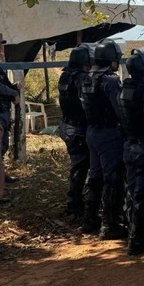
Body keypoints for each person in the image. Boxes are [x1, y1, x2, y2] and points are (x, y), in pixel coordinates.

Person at [80, 39, 126, 239]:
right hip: (108, 134)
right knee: (112, 178)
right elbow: (120, 109)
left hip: (92, 132)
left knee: (95, 177)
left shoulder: (87, 78)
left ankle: (89, 220)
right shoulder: (110, 80)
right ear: (111, 59)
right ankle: (109, 224)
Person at [120, 49, 144, 256]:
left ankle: (133, 233)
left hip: (129, 146)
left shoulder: (125, 88)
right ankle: (138, 239)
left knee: (131, 190)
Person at [57, 45, 92, 218]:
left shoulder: (65, 76)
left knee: (78, 165)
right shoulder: (81, 79)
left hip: (66, 125)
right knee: (81, 167)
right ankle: (75, 205)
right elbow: (86, 104)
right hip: (78, 128)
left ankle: (76, 201)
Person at [0, 39, 19, 200]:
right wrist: (13, 93)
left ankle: (2, 175)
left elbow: (4, 84)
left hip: (3, 111)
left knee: (2, 147)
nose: (1, 47)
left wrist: (13, 88)